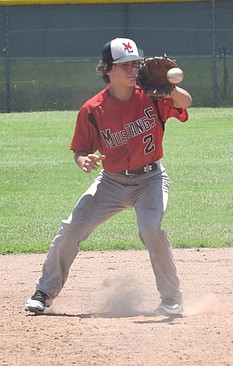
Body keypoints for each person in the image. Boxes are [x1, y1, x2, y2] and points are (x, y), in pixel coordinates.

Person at [24, 37, 192, 315]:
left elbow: (187, 102)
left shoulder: (153, 95)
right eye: (125, 65)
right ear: (108, 69)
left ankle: (171, 300)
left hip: (150, 179)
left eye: (135, 63)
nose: (132, 70)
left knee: (151, 228)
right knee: (71, 228)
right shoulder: (92, 109)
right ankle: (44, 292)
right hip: (111, 182)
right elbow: (79, 148)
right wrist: (83, 160)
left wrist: (170, 89)